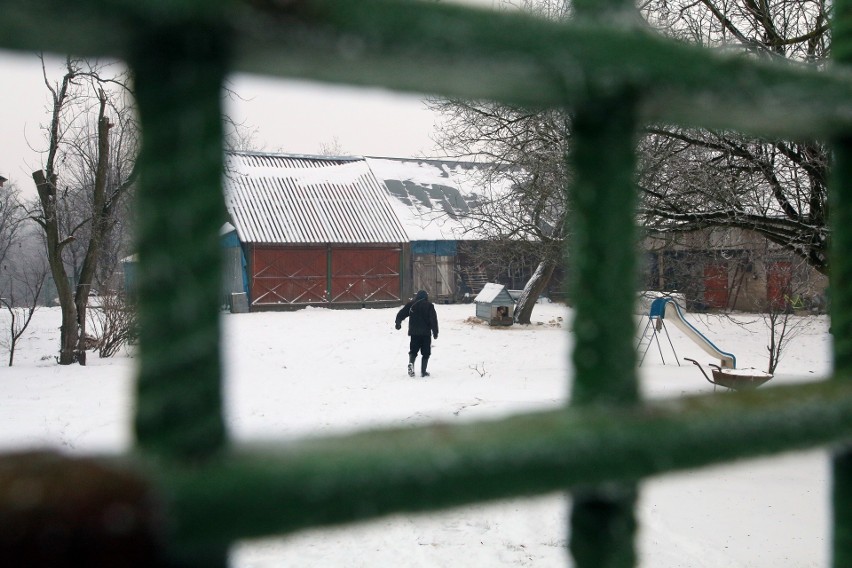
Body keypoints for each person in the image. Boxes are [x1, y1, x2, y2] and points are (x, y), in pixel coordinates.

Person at [394, 290, 439, 377]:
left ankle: (411, 363)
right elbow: (433, 320)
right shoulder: (429, 306)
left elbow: (401, 314)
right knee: (426, 353)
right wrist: (435, 332)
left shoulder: (411, 305)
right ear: (426, 297)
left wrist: (398, 323)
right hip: (425, 334)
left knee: (413, 351)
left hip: (414, 333)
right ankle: (423, 371)